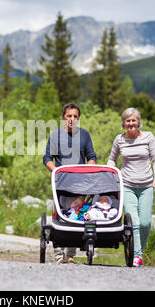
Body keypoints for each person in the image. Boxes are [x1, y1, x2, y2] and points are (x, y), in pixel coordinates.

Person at [107, 107, 155, 267]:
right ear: (123, 123)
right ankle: (137, 256)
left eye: (133, 120)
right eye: (128, 121)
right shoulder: (119, 140)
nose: (131, 123)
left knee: (145, 223)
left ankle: (138, 251)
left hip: (146, 186)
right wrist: (110, 175)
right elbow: (112, 159)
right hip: (127, 185)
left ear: (138, 122)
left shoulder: (148, 138)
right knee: (134, 222)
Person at [43, 102, 97, 263]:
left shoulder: (85, 135)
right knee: (59, 214)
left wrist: (89, 169)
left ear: (78, 118)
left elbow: (92, 156)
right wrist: (56, 171)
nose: (72, 119)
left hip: (79, 182)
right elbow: (47, 158)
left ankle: (71, 254)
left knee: (77, 215)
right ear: (63, 118)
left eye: (75, 116)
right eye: (69, 116)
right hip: (61, 181)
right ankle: (59, 253)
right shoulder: (55, 136)